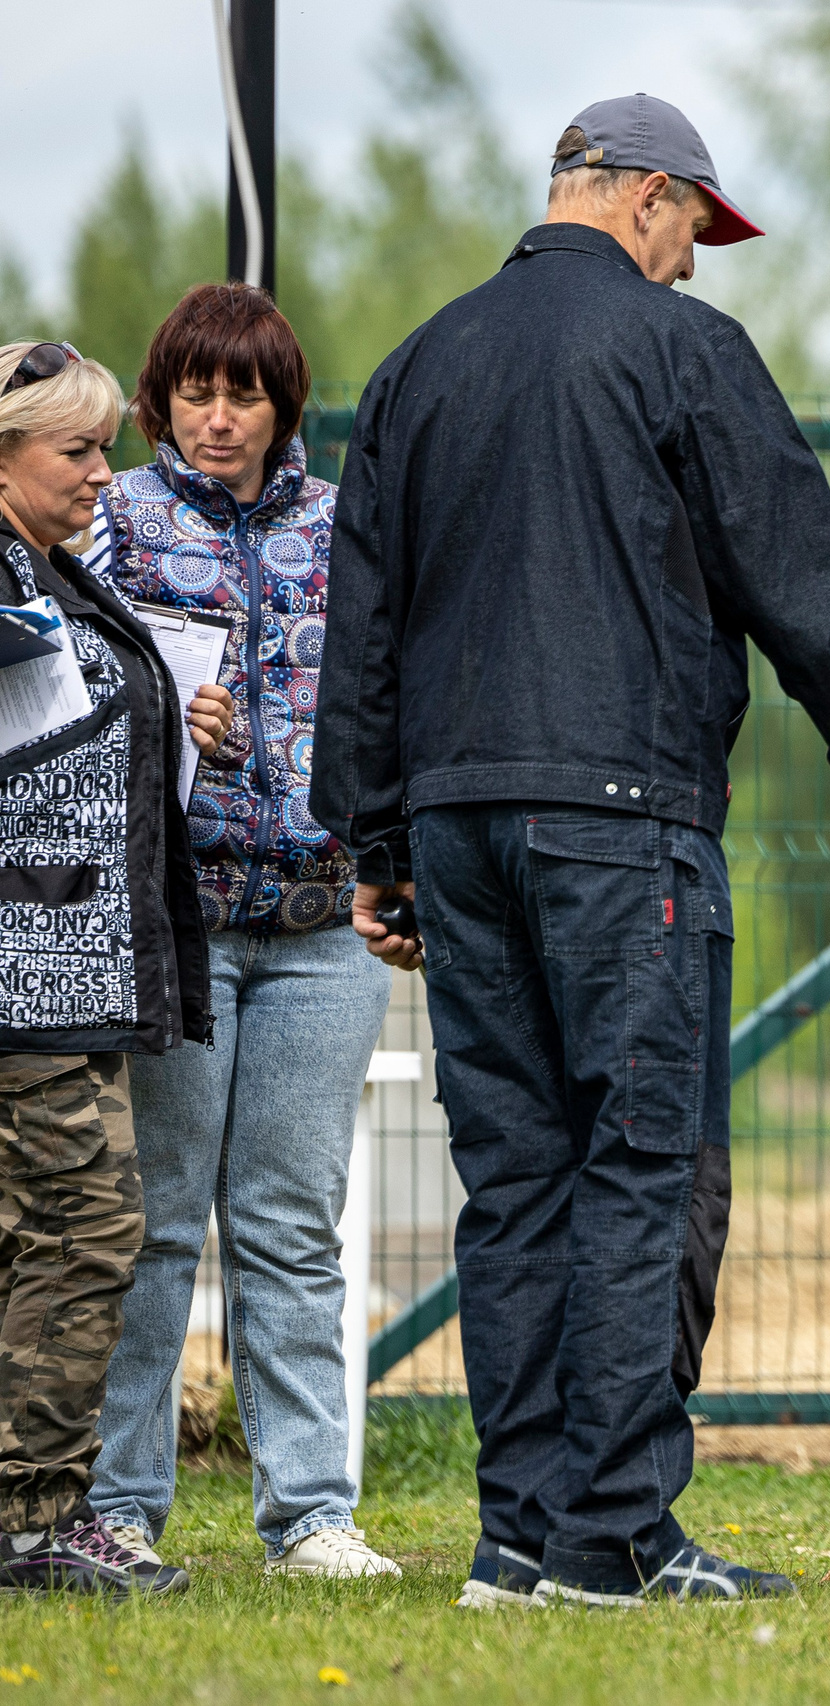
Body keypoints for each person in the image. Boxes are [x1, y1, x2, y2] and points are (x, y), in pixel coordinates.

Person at [312, 94, 830, 1609]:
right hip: (624, 824)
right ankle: (615, 1537)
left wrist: (374, 836)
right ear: (649, 201)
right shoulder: (684, 351)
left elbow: (362, 628)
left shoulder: (415, 366)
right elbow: (794, 574)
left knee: (511, 1175)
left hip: (460, 819)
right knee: (638, 1163)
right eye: (696, 232)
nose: (694, 263)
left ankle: (518, 1537)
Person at [84, 285, 399, 1581]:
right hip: (179, 923)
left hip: (325, 927)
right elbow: (68, 684)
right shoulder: (115, 519)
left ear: (284, 407)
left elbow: (393, 689)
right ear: (162, 401)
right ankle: (117, 1504)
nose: (220, 418)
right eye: (197, 392)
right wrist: (168, 717)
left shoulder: (347, 527)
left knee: (289, 1220)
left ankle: (311, 1510)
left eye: (246, 393)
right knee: (157, 1224)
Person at [0, 339, 235, 1597]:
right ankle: (34, 1517)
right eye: (77, 451)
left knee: (45, 1230)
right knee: (87, 1225)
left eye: (105, 446)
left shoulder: (52, 571)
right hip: (21, 965)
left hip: (70, 958)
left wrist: (170, 708)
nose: (106, 473)